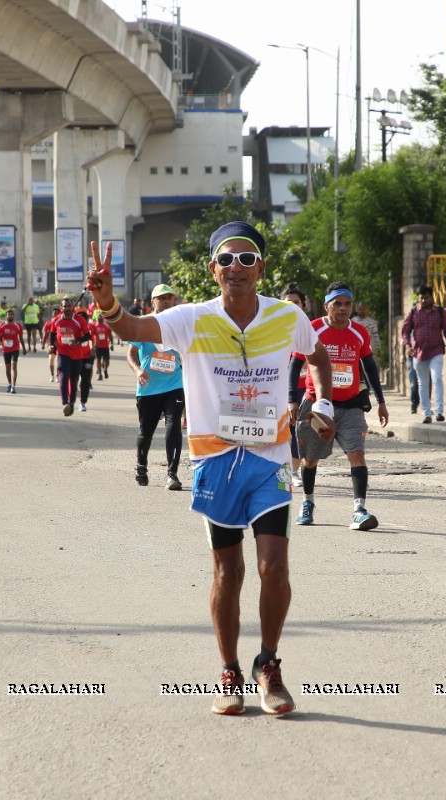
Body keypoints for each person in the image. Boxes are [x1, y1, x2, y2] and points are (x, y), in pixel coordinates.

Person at [86, 221, 334, 717]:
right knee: (228, 570)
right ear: (212, 269)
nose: (236, 268)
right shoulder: (191, 319)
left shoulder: (287, 317)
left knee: (273, 567)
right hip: (216, 461)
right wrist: (108, 302)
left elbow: (318, 355)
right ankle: (229, 670)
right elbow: (133, 329)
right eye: (226, 260)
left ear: (261, 268)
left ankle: (268, 664)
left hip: (271, 460)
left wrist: (323, 400)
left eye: (246, 260)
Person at [290, 281, 389, 531]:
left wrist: (381, 401)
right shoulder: (313, 329)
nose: (343, 309)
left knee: (357, 454)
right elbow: (294, 363)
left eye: (347, 304)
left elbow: (370, 367)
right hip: (317, 406)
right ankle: (308, 502)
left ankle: (359, 509)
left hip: (350, 404)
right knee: (310, 459)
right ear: (327, 306)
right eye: (338, 304)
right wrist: (292, 398)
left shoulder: (359, 332)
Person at [127, 284, 185, 489]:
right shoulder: (143, 324)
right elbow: (131, 353)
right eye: (162, 298)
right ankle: (141, 467)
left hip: (174, 385)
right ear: (153, 302)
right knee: (146, 431)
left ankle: (173, 474)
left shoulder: (181, 326)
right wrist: (137, 371)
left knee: (173, 426)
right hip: (149, 387)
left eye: (170, 297)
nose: (167, 301)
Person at [401, 285, 446, 424]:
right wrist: (407, 345)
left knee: (437, 378)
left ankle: (439, 411)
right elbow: (405, 331)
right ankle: (426, 413)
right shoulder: (413, 313)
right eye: (421, 298)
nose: (424, 300)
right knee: (422, 383)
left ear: (432, 297)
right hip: (418, 352)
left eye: (426, 297)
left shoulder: (440, 312)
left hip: (436, 351)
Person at [281, 284, 309, 487]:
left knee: (299, 429)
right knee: (282, 429)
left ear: (304, 305)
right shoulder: (274, 329)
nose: (293, 306)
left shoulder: (312, 328)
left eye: (296, 303)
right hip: (279, 386)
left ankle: (295, 470)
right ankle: (281, 469)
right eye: (288, 303)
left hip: (305, 388)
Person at [48, 296, 91, 416]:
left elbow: (88, 336)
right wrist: (52, 345)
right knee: (63, 375)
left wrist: (77, 341)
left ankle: (71, 403)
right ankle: (64, 402)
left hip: (77, 355)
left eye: (69, 306)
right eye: (64, 306)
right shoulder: (56, 320)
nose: (67, 308)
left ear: (73, 307)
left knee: (74, 380)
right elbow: (52, 334)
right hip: (62, 352)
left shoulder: (79, 320)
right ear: (61, 308)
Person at [0, 307, 27, 393]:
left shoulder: (17, 326)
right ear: (6, 316)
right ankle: (9, 384)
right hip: (5, 349)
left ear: (14, 316)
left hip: (15, 348)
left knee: (14, 366)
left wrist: (24, 348)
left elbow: (21, 338)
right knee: (7, 368)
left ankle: (13, 386)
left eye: (11, 315)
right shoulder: (2, 325)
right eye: (9, 315)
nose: (10, 316)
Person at [73, 306, 95, 412]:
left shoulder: (89, 329)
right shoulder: (73, 329)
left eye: (83, 319)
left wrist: (92, 349)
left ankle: (82, 403)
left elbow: (91, 340)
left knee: (85, 381)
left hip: (86, 357)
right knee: (74, 380)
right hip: (74, 357)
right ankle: (71, 400)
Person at [91, 311, 113, 380]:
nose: (100, 318)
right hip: (97, 346)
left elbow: (110, 335)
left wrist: (112, 344)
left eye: (101, 317)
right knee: (98, 360)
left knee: (107, 360)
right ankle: (100, 374)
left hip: (105, 346)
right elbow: (91, 336)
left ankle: (105, 369)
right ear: (96, 318)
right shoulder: (94, 326)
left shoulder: (106, 326)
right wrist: (92, 346)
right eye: (98, 317)